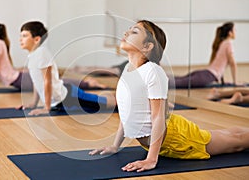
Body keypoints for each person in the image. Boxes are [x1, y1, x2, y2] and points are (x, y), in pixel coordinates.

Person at [89, 20, 249, 172]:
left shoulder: (153, 71)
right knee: (231, 134)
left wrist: (151, 159)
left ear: (147, 46)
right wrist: (115, 146)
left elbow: (158, 118)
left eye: (134, 31)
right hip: (163, 142)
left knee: (237, 142)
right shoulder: (128, 71)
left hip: (179, 138)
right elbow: (126, 114)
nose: (126, 32)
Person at [18, 21, 117, 115]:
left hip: (68, 96)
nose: (20, 39)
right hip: (59, 101)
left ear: (37, 39)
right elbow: (37, 82)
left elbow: (47, 81)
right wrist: (33, 104)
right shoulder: (32, 57)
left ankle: (121, 100)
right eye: (21, 36)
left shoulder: (42, 53)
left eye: (25, 36)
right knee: (97, 102)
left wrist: (46, 108)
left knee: (106, 104)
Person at [169, 22, 238, 88]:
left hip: (205, 73)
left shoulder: (223, 43)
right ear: (230, 33)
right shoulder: (228, 44)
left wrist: (222, 82)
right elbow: (233, 64)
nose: (236, 32)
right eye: (235, 30)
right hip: (207, 76)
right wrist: (235, 82)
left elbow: (220, 64)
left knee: (178, 79)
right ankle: (159, 82)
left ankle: (160, 79)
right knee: (177, 83)